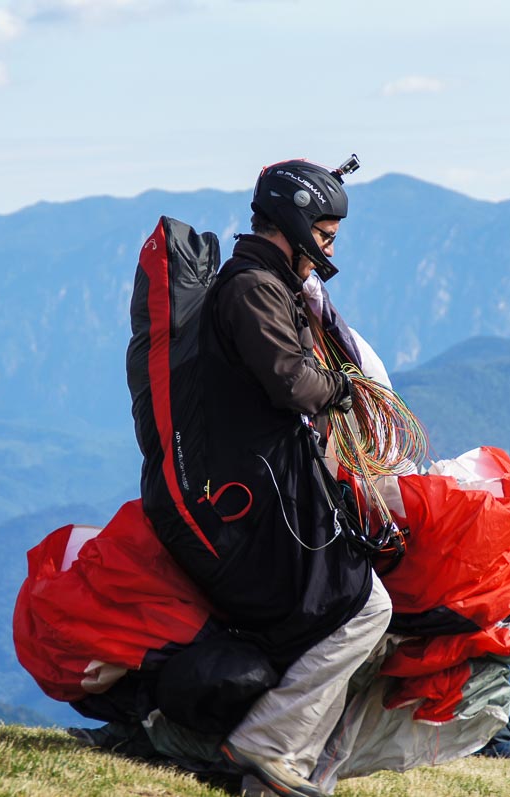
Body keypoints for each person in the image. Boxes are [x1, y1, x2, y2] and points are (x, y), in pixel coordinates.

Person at [195, 158, 392, 797]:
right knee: (365, 608)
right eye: (325, 236)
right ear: (295, 224)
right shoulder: (253, 288)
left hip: (271, 487)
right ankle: (268, 747)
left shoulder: (267, 285)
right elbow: (292, 383)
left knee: (360, 613)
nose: (330, 250)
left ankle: (283, 770)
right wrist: (346, 387)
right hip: (267, 496)